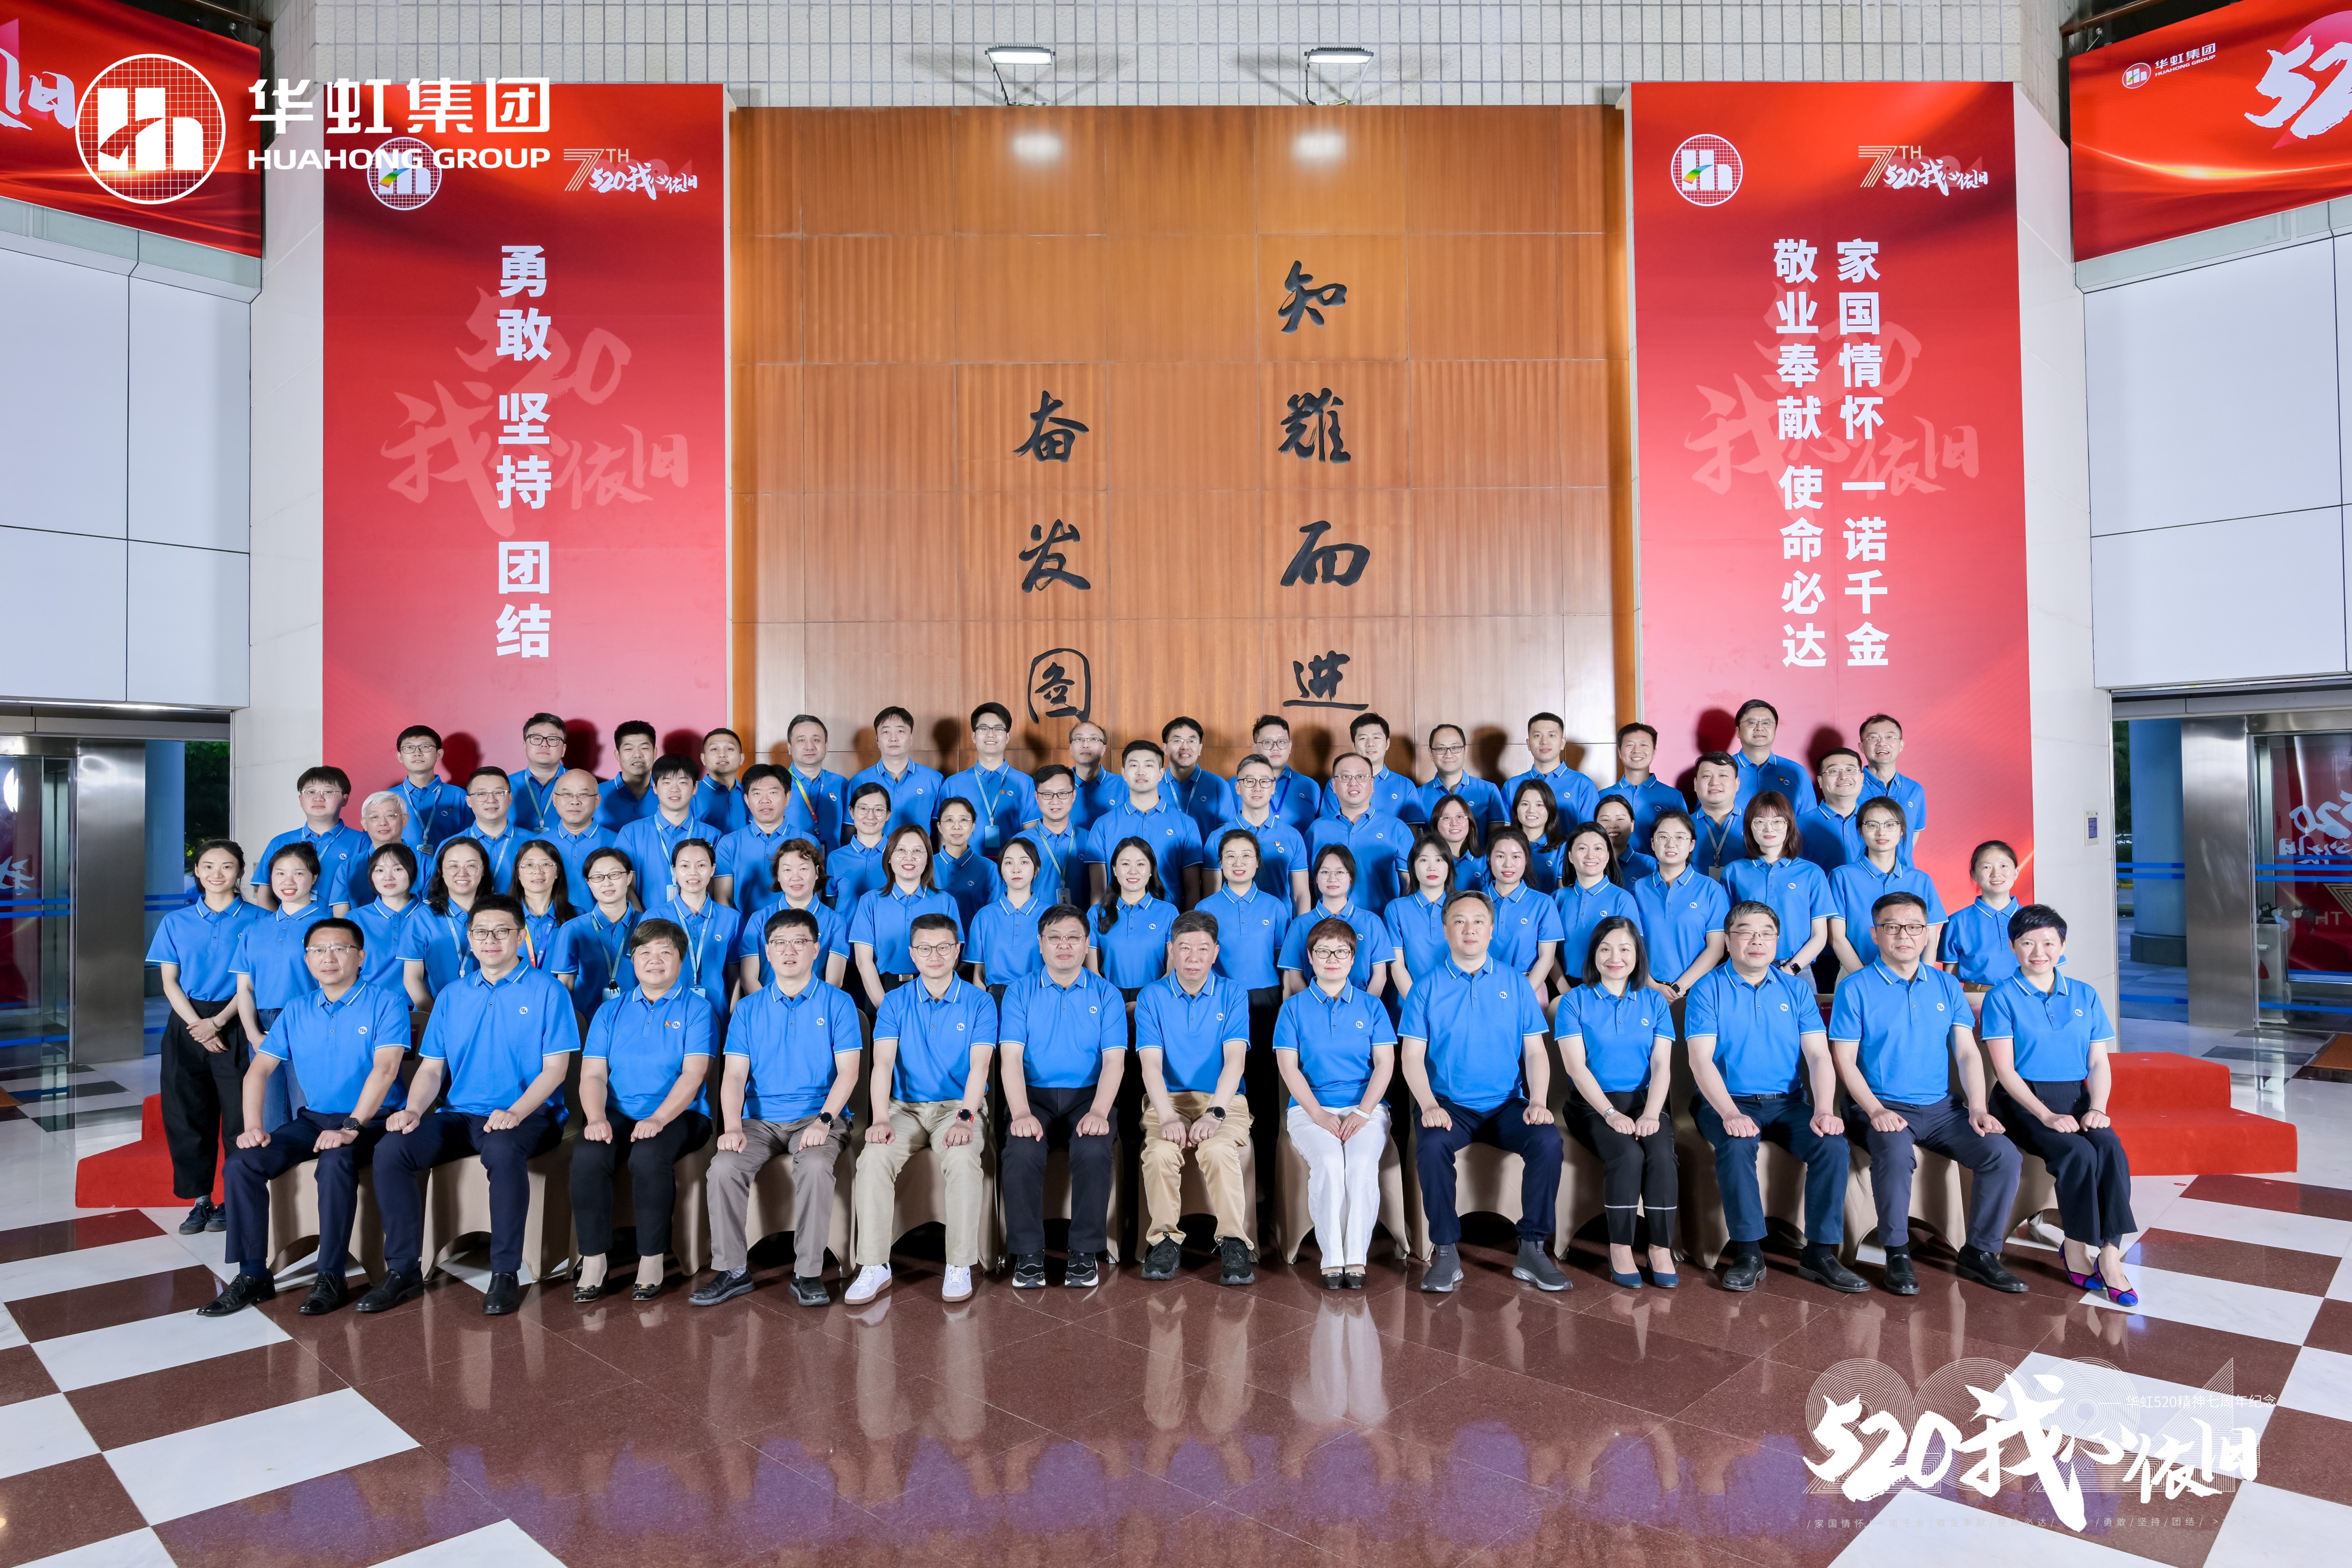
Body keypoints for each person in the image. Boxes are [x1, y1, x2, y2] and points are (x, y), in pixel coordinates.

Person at [363, 894, 576, 1316]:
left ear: (520, 936)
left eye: (501, 931)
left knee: (502, 1148)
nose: (490, 940)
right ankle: (403, 1270)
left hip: (532, 1114)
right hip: (461, 1114)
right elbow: (431, 1069)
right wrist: (413, 1110)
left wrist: (516, 1111)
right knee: (393, 1149)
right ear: (470, 938)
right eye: (481, 932)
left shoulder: (548, 991)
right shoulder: (452, 995)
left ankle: (505, 1272)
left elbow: (556, 1070)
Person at [199, 918, 409, 1317]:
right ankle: (253, 1274)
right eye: (318, 950)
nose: (328, 958)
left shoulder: (387, 1002)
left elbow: (385, 1070)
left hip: (374, 1121)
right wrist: (253, 1127)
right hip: (314, 1120)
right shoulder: (297, 1009)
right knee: (243, 1163)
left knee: (335, 1160)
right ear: (307, 960)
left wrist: (351, 1128)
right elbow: (259, 1071)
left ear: (361, 957)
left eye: (340, 949)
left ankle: (330, 1275)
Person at [1829, 891, 2025, 1296]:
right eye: (1892, 927)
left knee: (2002, 1154)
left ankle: (1980, 1253)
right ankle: (1897, 1252)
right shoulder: (1855, 988)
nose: (1904, 935)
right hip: (1879, 1105)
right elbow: (1844, 1060)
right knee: (1895, 1152)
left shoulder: (1946, 985)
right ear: (1876, 934)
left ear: (1926, 934)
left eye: (1914, 927)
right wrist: (1875, 1110)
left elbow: (1967, 1053)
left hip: (1941, 1109)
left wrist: (1977, 1107)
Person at [1684, 901, 1866, 1294]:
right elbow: (1700, 1061)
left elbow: (1818, 1055)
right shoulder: (1707, 989)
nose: (1757, 941)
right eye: (1746, 932)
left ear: (1777, 941)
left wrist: (1823, 1109)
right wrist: (1730, 1113)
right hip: (1725, 1101)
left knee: (1831, 1145)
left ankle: (1819, 1253)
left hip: (1788, 1103)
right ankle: (1749, 1253)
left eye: (1766, 933)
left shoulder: (1796, 989)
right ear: (1728, 941)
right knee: (1736, 1143)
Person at [693, 907, 863, 1309]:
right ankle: (733, 1270)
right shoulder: (748, 1009)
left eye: (799, 942)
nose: (789, 951)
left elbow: (849, 1072)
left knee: (816, 1166)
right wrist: (732, 1127)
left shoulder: (838, 1003)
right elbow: (734, 1075)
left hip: (817, 1116)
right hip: (759, 1121)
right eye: (779, 944)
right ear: (767, 952)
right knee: (723, 1168)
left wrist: (824, 1121)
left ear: (816, 950)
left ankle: (807, 1273)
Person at [1401, 891, 1570, 1294]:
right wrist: (1428, 1105)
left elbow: (1535, 1051)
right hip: (1448, 1106)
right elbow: (1411, 1057)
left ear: (1492, 930)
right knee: (1431, 1146)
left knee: (1547, 1140)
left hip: (1506, 1105)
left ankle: (1532, 1249)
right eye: (1459, 921)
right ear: (1445, 931)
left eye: (1478, 921)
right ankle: (1445, 1252)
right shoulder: (1425, 988)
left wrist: (1538, 1101)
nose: (1469, 929)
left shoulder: (1516, 984)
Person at [1979, 904, 2137, 1305]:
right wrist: (2046, 1115)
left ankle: (2111, 1255)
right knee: (2078, 1154)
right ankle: (2076, 1246)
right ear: (2013, 946)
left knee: (2111, 1149)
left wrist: (2097, 1107)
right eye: (2027, 943)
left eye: (2049, 943)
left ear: (2062, 946)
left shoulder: (2085, 994)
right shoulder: (2001, 997)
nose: (2039, 952)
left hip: (2077, 1097)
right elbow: (2005, 1071)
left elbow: (2098, 1062)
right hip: (2023, 1102)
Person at [847, 912, 998, 1305]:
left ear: (958, 951)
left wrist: (966, 1119)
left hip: (958, 1107)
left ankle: (959, 1264)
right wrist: (881, 1117)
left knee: (963, 1157)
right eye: (925, 948)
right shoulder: (895, 1003)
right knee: (873, 1157)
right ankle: (874, 1265)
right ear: (912, 954)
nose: (935, 955)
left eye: (944, 947)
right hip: (905, 1109)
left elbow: (980, 1067)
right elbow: (882, 1064)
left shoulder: (980, 1002)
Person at [571, 919, 716, 1303]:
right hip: (620, 1110)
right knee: (588, 1153)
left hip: (682, 1115)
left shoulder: (698, 1009)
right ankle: (594, 1260)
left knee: (649, 1155)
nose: (655, 960)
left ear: (681, 959)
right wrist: (596, 1118)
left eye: (665, 952)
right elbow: (593, 1075)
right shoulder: (610, 1012)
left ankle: (652, 1259)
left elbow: (694, 1075)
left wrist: (659, 1118)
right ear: (632, 959)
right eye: (645, 952)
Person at [998, 905, 1128, 1289]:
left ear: (1087, 944)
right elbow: (1010, 1059)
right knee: (1021, 1151)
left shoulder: (1107, 994)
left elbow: (1115, 1062)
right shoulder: (1019, 992)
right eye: (1054, 938)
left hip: (1088, 1097)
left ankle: (1085, 1252)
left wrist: (1100, 1112)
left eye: (1074, 937)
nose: (1064, 945)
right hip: (1033, 1097)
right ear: (1041, 944)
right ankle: (1028, 1254)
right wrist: (1020, 1113)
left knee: (1093, 1149)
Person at [148, 839, 265, 1236]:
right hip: (186, 1024)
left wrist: (218, 1022)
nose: (217, 874)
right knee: (186, 1114)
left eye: (227, 866)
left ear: (240, 872)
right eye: (209, 866)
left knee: (239, 1115)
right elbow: (169, 982)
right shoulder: (175, 922)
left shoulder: (259, 919)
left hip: (237, 1017)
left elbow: (253, 981)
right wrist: (199, 1026)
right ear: (197, 871)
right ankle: (200, 1200)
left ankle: (235, 1199)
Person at [1555, 917, 1678, 1288]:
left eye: (1625, 949)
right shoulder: (1573, 1001)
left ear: (1637, 955)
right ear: (1594, 954)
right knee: (1627, 1154)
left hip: (1644, 1102)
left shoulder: (1655, 1002)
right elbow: (1576, 1068)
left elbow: (1662, 1065)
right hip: (1590, 1104)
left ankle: (1659, 1247)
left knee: (1661, 1155)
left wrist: (1652, 1113)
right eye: (1606, 949)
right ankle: (1621, 1246)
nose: (1615, 957)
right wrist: (1609, 1114)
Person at [1275, 918, 1398, 1289]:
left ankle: (1355, 1256)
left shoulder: (1372, 1007)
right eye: (1323, 951)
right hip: (1309, 1109)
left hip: (1367, 1107)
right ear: (1310, 957)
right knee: (1329, 1163)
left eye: (1341, 952)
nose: (1332, 959)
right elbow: (1288, 1068)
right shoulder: (1293, 1009)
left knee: (1359, 1164)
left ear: (1353, 959)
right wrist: (1318, 1114)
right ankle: (1332, 1257)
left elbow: (1385, 1064)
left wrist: (1363, 1113)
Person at [1134, 911, 1256, 1286]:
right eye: (1184, 948)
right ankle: (1164, 1241)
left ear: (1215, 953)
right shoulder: (1152, 996)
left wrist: (1214, 1113)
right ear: (1171, 950)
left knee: (1218, 1149)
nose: (1192, 957)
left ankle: (1234, 1242)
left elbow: (1235, 1062)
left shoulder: (1233, 994)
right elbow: (1150, 1066)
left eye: (1202, 949)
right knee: (1159, 1153)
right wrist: (1167, 1116)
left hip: (1223, 1100)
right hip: (1167, 1100)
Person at [1200, 828, 1289, 1188]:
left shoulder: (1275, 906)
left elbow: (1284, 964)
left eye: (1246, 856)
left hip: (1266, 1003)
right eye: (1230, 857)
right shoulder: (1206, 909)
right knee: (1228, 1082)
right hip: (1221, 1004)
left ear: (1257, 862)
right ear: (1220, 864)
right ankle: (1227, 1178)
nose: (1238, 863)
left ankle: (1266, 1184)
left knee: (1265, 1088)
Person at [231, 843, 333, 1132]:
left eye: (298, 873)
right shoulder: (255, 929)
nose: (288, 881)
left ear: (314, 877)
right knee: (269, 1121)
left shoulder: (330, 925)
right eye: (280, 873)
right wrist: (253, 1035)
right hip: (263, 1028)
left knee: (309, 1117)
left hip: (311, 1024)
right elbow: (245, 989)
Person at [848, 824, 964, 1008]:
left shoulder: (946, 901)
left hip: (934, 992)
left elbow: (952, 957)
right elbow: (864, 962)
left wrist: (936, 1000)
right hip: (883, 990)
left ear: (928, 859)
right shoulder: (870, 902)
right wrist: (886, 1010)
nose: (909, 858)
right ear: (889, 857)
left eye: (917, 851)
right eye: (901, 850)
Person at [1827, 797, 1945, 977]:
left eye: (1890, 825)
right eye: (1872, 825)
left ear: (1902, 830)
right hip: (1857, 974)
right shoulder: (1842, 877)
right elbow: (1837, 938)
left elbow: (1930, 939)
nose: (1881, 832)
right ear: (1860, 831)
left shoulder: (1921, 880)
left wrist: (1924, 979)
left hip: (1913, 976)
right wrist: (1866, 980)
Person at [1723, 792, 1834, 974]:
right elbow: (1726, 930)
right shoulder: (1734, 872)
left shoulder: (1812, 873)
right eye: (1760, 822)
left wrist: (1791, 969)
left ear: (1789, 826)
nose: (1769, 829)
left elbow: (1820, 935)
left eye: (1777, 821)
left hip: (1798, 968)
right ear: (1749, 827)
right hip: (1746, 967)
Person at [1088, 740, 1205, 904]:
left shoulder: (1186, 825)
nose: (1141, 772)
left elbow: (1192, 889)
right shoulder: (1103, 825)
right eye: (1134, 765)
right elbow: (1098, 891)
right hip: (1116, 918)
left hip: (1172, 916)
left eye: (1149, 765)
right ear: (1124, 773)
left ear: (1161, 773)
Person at [1632, 809, 1729, 1002]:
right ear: (1653, 843)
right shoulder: (1638, 889)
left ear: (1692, 844)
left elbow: (1717, 949)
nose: (1671, 844)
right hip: (1646, 990)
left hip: (1696, 991)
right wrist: (1652, 985)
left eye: (1680, 838)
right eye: (1663, 837)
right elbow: (1632, 945)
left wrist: (1679, 988)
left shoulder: (1711, 889)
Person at [1279, 844, 1393, 997]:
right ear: (1316, 878)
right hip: (1312, 1005)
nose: (1332, 879)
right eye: (1325, 872)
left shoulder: (1372, 922)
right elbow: (1295, 977)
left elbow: (1380, 976)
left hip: (1361, 1005)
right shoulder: (1300, 924)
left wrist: (1363, 1007)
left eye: (1340, 872)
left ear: (1351, 877)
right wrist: (1313, 1006)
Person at [737, 840, 849, 992]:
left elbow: (834, 981)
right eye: (787, 870)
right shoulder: (759, 919)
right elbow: (749, 978)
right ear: (778, 875)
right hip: (767, 1005)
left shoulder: (835, 922)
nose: (796, 877)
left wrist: (810, 1005)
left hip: (818, 1005)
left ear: (817, 872)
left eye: (803, 869)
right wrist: (770, 1005)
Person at [249, 766, 366, 913]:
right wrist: (283, 924)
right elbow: (265, 897)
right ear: (301, 799)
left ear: (345, 799)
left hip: (342, 926)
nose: (318, 798)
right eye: (310, 792)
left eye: (328, 792)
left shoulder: (363, 843)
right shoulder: (279, 842)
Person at [554, 847, 642, 1026]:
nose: (607, 883)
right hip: (588, 1024)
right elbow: (566, 987)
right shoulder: (573, 929)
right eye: (598, 877)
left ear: (629, 878)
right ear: (589, 883)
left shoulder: (648, 925)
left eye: (614, 875)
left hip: (638, 1021)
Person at [652, 839, 742, 1013]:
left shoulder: (732, 919)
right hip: (667, 1013)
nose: (693, 872)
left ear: (713, 869)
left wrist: (733, 1017)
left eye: (701, 865)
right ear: (674, 870)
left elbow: (735, 975)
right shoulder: (654, 917)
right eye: (685, 866)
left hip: (718, 1013)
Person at [1311, 754, 1408, 915]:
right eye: (1345, 777)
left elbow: (1410, 884)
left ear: (1372, 784)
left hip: (1382, 923)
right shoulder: (1317, 830)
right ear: (1334, 785)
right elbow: (1308, 884)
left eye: (1361, 776)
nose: (1353, 783)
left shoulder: (1397, 829)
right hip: (1329, 925)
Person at [1937, 840, 2029, 1002]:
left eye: (2004, 866)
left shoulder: (2034, 920)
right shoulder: (1957, 922)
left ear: (2016, 872)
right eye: (1987, 867)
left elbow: (2048, 970)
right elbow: (1950, 978)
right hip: (1976, 1001)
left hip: (2026, 998)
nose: (1996, 874)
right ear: (1974, 874)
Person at [1554, 824, 1640, 994]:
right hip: (1562, 987)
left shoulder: (1623, 899)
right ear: (1570, 856)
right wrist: (1564, 988)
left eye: (1598, 848)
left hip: (1609, 988)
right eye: (1582, 848)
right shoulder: (1557, 898)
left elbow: (1632, 952)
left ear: (1608, 856)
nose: (1590, 855)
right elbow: (1547, 951)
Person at [943, 702, 1038, 856]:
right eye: (984, 728)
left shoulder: (1025, 783)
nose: (991, 734)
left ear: (1007, 737)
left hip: (1011, 866)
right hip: (965, 865)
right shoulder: (953, 784)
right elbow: (944, 838)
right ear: (974, 737)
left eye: (998, 729)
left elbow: (1031, 836)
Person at [1479, 827, 1562, 1001]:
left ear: (1526, 860)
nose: (1508, 864)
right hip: (1482, 989)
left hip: (1530, 989)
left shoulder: (1543, 903)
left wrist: (1522, 996)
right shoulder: (1474, 901)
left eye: (1516, 857)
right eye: (1500, 856)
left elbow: (1547, 959)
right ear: (1489, 859)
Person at [350, 843, 432, 1013]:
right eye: (380, 870)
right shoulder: (355, 919)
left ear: (412, 872)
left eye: (398, 869)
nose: (388, 877)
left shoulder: (431, 916)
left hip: (422, 1010)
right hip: (370, 1010)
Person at [1220, 754, 1311, 909]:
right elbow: (1213, 897)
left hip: (1281, 923)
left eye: (1265, 781)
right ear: (1238, 788)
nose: (1257, 788)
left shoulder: (1293, 836)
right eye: (1250, 781)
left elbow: (1300, 896)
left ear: (1273, 788)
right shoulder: (1218, 838)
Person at [1090, 837, 1180, 994]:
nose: (1133, 871)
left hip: (1156, 997)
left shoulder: (1169, 913)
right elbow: (1093, 972)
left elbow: (1172, 971)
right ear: (1115, 870)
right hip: (1108, 997)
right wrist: (1113, 1001)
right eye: (1126, 864)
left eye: (1141, 864)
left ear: (1151, 870)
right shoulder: (1096, 913)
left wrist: (1144, 1001)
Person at [613, 756, 705, 904]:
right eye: (667, 782)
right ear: (655, 787)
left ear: (695, 787)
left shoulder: (713, 836)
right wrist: (644, 919)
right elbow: (625, 887)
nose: (675, 789)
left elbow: (715, 890)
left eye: (682, 782)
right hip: (644, 918)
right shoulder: (631, 834)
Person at [413, 838, 493, 998]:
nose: (462, 873)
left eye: (471, 866)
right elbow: (412, 978)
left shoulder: (500, 913)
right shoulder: (422, 917)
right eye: (453, 866)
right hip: (434, 1008)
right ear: (441, 871)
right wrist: (436, 1012)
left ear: (483, 870)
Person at [969, 837, 1051, 990]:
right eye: (1009, 863)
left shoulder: (1051, 916)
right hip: (996, 996)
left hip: (1038, 994)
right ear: (1001, 870)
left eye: (1024, 862)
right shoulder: (984, 917)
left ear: (1036, 870)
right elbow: (979, 974)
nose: (1016, 869)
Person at [850, 705, 945, 836]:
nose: (893, 738)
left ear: (911, 738)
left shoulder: (934, 780)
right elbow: (850, 830)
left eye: (900, 731)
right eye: (886, 732)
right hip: (875, 851)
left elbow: (941, 830)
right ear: (877, 740)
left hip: (919, 850)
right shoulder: (859, 781)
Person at [1319, 712, 1424, 825]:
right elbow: (1328, 826)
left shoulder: (1405, 786)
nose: (1370, 744)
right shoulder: (1338, 783)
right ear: (1354, 745)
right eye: (1363, 738)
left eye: (1376, 738)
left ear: (1387, 743)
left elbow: (1414, 829)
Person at [1385, 834, 1458, 995]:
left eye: (1439, 860)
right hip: (1410, 999)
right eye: (1424, 860)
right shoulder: (1397, 909)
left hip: (1457, 1000)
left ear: (1449, 866)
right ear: (1413, 866)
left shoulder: (1462, 906)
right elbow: (1397, 966)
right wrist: (1417, 1005)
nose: (1432, 867)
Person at [714, 763, 794, 908]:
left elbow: (811, 897)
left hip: (793, 922)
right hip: (743, 923)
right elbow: (724, 900)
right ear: (747, 800)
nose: (765, 800)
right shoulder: (729, 844)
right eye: (757, 794)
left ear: (788, 797)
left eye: (773, 793)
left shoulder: (807, 842)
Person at [391, 725, 473, 863]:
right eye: (409, 748)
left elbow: (471, 841)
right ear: (400, 756)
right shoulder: (387, 798)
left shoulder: (459, 796)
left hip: (448, 872)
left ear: (439, 754)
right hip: (399, 871)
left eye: (425, 747)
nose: (417, 753)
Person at [1598, 722, 1685, 852]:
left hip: (1657, 865)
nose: (1636, 751)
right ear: (1620, 752)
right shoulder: (1603, 796)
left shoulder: (1673, 797)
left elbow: (1683, 840)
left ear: (1654, 752)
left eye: (1644, 745)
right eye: (1630, 745)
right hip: (1612, 864)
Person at [1012, 764, 1089, 907]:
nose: (1055, 801)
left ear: (1073, 796)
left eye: (1063, 793)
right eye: (1047, 794)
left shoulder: (1090, 840)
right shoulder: (1019, 844)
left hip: (1082, 919)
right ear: (1037, 797)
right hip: (1036, 920)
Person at [1504, 712, 1597, 825]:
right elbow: (1506, 831)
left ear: (1562, 743)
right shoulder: (1512, 786)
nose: (1544, 742)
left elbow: (1591, 831)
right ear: (1529, 744)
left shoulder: (1583, 784)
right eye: (1537, 736)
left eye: (1552, 736)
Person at [1730, 699, 1819, 814]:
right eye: (1752, 723)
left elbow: (1809, 820)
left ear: (1775, 730)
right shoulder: (1723, 771)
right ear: (1738, 732)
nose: (1760, 728)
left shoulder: (1796, 772)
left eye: (1767, 723)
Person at [1857, 714, 1925, 856]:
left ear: (1901, 745)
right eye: (1873, 738)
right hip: (1861, 868)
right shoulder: (1852, 787)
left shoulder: (1914, 790)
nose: (1882, 743)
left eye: (1890, 737)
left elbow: (1914, 833)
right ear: (1862, 747)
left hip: (1902, 870)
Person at [931, 796, 1005, 927]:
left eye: (964, 820)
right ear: (940, 827)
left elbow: (995, 917)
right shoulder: (926, 865)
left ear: (973, 826)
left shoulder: (989, 869)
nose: (957, 827)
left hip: (974, 938)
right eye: (949, 820)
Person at [1797, 748, 1874, 874]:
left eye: (1850, 770)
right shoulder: (1798, 826)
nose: (1843, 777)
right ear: (1821, 782)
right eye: (1834, 771)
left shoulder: (1877, 822)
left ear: (1862, 779)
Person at [1161, 716, 1236, 842]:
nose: (1185, 747)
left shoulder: (1218, 785)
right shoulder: (1152, 785)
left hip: (1207, 855)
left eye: (1192, 741)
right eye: (1177, 740)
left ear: (1200, 749)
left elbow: (1228, 835)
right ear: (1165, 748)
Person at [776, 714, 848, 846]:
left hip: (833, 859)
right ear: (790, 748)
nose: (810, 747)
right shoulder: (777, 784)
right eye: (802, 740)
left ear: (826, 745)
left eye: (816, 740)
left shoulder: (841, 784)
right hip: (788, 859)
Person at [543, 769, 616, 895]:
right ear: (555, 800)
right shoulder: (538, 844)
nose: (575, 801)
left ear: (597, 800)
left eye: (583, 795)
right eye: (567, 794)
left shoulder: (617, 842)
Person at [1419, 723, 1506, 828]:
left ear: (1465, 751)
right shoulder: (1418, 796)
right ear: (1431, 753)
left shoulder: (1489, 791)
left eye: (1455, 748)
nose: (1449, 755)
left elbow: (1498, 836)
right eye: (1441, 749)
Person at [826, 782, 895, 909]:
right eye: (863, 809)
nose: (870, 817)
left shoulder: (899, 856)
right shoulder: (835, 858)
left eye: (878, 810)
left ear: (888, 815)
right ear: (852, 812)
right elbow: (829, 906)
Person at [1251, 714, 1324, 831]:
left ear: (1290, 746)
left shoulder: (1310, 786)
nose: (1276, 748)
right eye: (1268, 742)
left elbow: (1324, 830)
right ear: (1255, 748)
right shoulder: (1238, 786)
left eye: (1282, 742)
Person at [457, 766, 525, 892]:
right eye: (481, 794)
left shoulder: (533, 843)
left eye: (499, 793)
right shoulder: (451, 846)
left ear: (510, 798)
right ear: (469, 801)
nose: (491, 800)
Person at [510, 839, 574, 973]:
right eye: (529, 865)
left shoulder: (577, 917)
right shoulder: (502, 917)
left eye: (546, 864)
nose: (537, 871)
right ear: (518, 874)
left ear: (557, 873)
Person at [346, 792, 410, 909]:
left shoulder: (426, 864)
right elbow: (341, 918)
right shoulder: (348, 867)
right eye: (375, 817)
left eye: (391, 816)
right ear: (365, 824)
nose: (383, 823)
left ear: (404, 820)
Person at [509, 712, 571, 833]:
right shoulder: (506, 786)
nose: (544, 744)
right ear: (525, 746)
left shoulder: (583, 786)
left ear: (564, 749)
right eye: (536, 738)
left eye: (553, 739)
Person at [1689, 752, 1746, 879]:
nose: (1714, 782)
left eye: (1723, 775)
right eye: (1707, 776)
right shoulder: (1684, 826)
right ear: (1696, 784)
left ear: (1737, 784)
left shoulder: (1754, 822)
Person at [596, 719, 661, 829]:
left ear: (655, 753)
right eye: (629, 749)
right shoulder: (596, 794)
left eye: (644, 748)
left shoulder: (668, 793)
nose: (637, 755)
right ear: (618, 755)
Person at [1507, 780, 1570, 893]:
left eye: (1539, 805)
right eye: (1525, 804)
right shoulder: (1504, 844)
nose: (1531, 811)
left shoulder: (1563, 847)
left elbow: (1563, 894)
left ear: (1550, 809)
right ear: (1516, 808)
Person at [1066, 720, 1124, 830]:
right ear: (1071, 748)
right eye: (1079, 739)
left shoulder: (1124, 785)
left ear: (1104, 749)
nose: (1086, 745)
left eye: (1094, 739)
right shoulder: (1057, 787)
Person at [693, 726, 751, 835]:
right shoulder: (690, 793)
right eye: (715, 749)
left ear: (742, 758)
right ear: (703, 759)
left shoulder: (752, 793)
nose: (722, 755)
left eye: (730, 749)